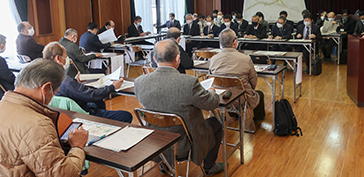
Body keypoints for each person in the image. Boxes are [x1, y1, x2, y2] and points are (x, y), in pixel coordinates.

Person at [135, 39, 224, 175]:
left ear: (154, 59)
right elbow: (212, 103)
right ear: (178, 58)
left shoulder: (140, 82)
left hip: (154, 142)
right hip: (183, 144)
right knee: (216, 122)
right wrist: (211, 91)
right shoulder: (188, 83)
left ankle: (164, 164)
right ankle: (209, 166)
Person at [0, 58, 88, 176]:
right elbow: (63, 174)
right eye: (55, 92)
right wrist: (78, 146)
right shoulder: (36, 124)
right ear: (46, 88)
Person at [43, 42, 133, 123]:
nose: (68, 60)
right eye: (66, 57)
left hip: (66, 115)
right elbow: (91, 95)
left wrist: (75, 82)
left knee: (98, 102)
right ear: (58, 58)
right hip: (83, 115)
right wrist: (112, 87)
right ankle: (103, 123)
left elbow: (70, 91)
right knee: (126, 115)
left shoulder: (45, 78)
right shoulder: (66, 81)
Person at [209, 28, 265, 122]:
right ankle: (258, 119)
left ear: (220, 43)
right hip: (241, 98)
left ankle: (234, 114)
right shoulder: (245, 59)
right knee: (259, 94)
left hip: (220, 97)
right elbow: (253, 79)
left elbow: (211, 79)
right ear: (235, 42)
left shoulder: (213, 59)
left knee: (230, 88)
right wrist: (250, 89)